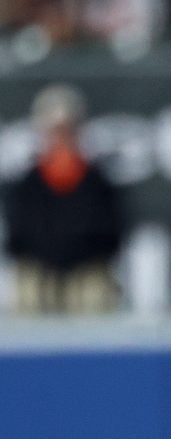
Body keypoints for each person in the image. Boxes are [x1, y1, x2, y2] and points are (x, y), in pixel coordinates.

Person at [2, 84, 126, 315]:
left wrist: (76, 259)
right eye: (54, 131)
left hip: (85, 271)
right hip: (41, 272)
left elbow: (111, 237)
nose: (61, 138)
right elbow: (17, 240)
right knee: (28, 290)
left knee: (95, 292)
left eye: (68, 130)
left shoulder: (98, 184)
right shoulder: (27, 185)